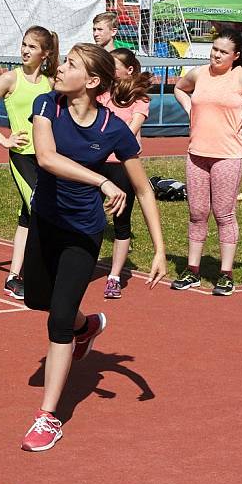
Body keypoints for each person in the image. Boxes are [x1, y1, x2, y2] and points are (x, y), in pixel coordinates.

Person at [20, 43, 166, 452]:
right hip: (45, 224)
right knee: (39, 300)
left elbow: (143, 188)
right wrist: (101, 180)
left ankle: (48, 417)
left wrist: (158, 249)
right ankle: (88, 327)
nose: (59, 68)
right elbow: (46, 158)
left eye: (69, 65)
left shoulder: (113, 129)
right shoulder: (47, 104)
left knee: (58, 321)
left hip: (82, 233)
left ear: (92, 81)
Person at [172, 28, 242, 296]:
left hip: (227, 155)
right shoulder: (199, 73)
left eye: (223, 52)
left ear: (235, 56)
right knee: (197, 213)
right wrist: (190, 108)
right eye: (214, 49)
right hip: (197, 152)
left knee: (224, 214)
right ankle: (192, 270)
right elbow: (179, 88)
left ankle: (225, 274)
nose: (216, 55)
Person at [0, 26, 58, 298]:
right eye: (24, 44)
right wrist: (3, 139)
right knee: (41, 211)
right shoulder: (10, 79)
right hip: (22, 156)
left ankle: (13, 276)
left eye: (32, 47)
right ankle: (40, 272)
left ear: (45, 54)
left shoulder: (51, 82)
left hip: (47, 158)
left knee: (27, 216)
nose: (25, 50)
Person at [97, 48, 153, 298]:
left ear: (129, 70)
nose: (110, 69)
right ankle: (83, 262)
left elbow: (129, 132)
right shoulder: (102, 94)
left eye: (114, 65)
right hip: (96, 163)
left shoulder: (140, 99)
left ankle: (114, 276)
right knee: (88, 215)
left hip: (122, 165)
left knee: (121, 221)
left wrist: (103, 141)